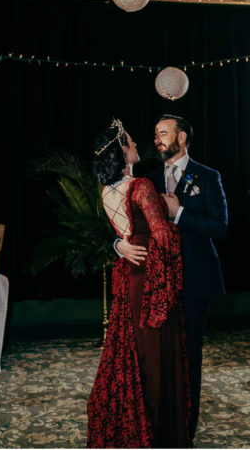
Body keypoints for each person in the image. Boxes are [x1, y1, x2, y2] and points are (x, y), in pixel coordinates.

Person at [116, 114, 228, 442]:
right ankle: (158, 426)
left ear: (182, 138)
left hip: (194, 284)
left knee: (189, 358)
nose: (157, 139)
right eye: (154, 134)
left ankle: (184, 434)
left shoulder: (208, 177)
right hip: (154, 285)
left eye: (163, 133)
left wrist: (178, 213)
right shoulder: (146, 178)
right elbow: (126, 225)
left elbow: (220, 228)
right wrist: (118, 245)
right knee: (158, 360)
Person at [87, 118, 190, 448]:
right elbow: (163, 235)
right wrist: (173, 215)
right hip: (149, 278)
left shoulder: (106, 191)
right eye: (129, 142)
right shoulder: (141, 186)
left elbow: (122, 234)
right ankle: (157, 433)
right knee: (154, 355)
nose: (135, 146)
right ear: (121, 151)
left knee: (132, 352)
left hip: (129, 278)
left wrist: (119, 246)